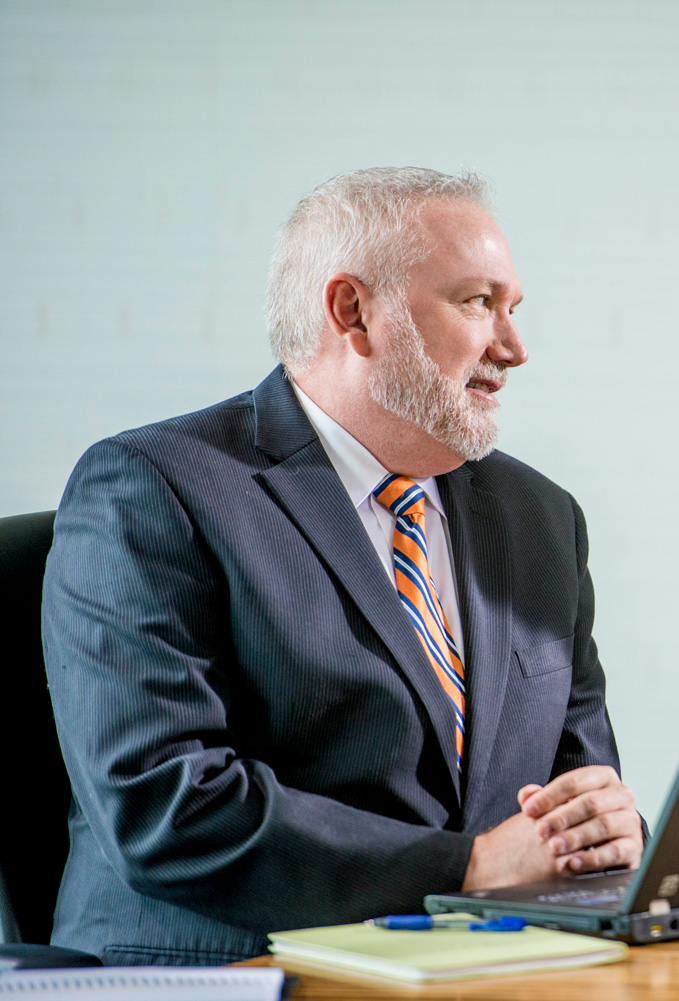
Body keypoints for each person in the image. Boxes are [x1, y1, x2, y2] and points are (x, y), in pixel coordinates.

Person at [42, 168, 643, 965]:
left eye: (515, 309)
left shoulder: (541, 517)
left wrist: (605, 827)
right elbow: (166, 805)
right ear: (353, 312)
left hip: (488, 970)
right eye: (477, 302)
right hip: (233, 972)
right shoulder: (154, 489)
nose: (514, 347)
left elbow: (579, 774)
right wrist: (470, 868)